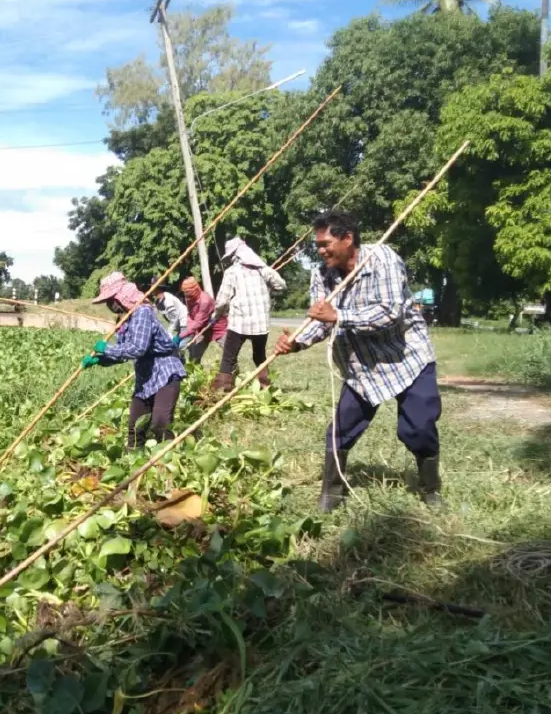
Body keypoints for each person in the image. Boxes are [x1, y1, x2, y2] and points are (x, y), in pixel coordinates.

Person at [274, 211, 443, 511]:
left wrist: (339, 315)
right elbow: (321, 321)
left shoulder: (382, 260)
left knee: (417, 428)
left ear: (348, 238)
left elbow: (390, 312)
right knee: (340, 430)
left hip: (406, 358)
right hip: (362, 367)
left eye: (326, 243)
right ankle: (331, 494)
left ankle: (431, 488)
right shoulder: (321, 275)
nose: (321, 250)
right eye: (318, 246)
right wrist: (296, 342)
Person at [84, 271, 187, 448]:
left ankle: (168, 461)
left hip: (165, 370)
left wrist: (107, 348)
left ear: (120, 297)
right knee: (135, 426)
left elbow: (138, 348)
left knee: (160, 423)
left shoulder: (142, 312)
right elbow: (124, 352)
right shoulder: (124, 320)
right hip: (145, 375)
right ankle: (133, 461)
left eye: (110, 300)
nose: (109, 305)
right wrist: (102, 359)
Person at [212, 237, 286, 391]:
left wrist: (216, 316)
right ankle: (265, 387)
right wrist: (268, 280)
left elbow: (221, 301)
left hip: (239, 323)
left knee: (228, 358)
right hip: (261, 324)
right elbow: (281, 285)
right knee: (259, 356)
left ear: (236, 256)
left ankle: (223, 389)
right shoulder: (262, 270)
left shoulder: (232, 272)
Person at [179, 276, 227, 364]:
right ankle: (195, 374)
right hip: (203, 329)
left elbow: (198, 322)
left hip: (217, 327)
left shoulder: (205, 301)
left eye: (188, 292)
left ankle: (234, 373)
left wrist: (181, 336)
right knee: (194, 356)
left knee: (228, 353)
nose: (186, 295)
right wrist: (189, 329)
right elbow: (190, 315)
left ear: (195, 289)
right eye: (184, 292)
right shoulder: (188, 298)